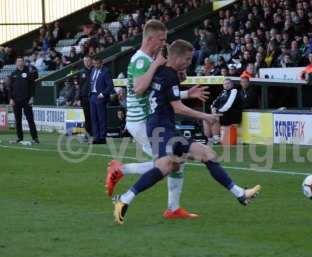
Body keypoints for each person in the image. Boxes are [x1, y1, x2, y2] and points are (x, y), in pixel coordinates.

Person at [111, 39, 261, 224]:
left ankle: (240, 193)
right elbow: (178, 108)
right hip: (161, 128)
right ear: (178, 57)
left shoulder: (161, 72)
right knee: (172, 164)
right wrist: (205, 117)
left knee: (195, 158)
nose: (189, 63)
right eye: (188, 59)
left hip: (160, 126)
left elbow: (163, 94)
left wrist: (182, 82)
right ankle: (125, 198)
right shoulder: (168, 75)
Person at [105, 20, 209, 219]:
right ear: (150, 39)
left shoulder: (150, 59)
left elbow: (161, 92)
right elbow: (138, 88)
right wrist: (156, 65)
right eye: (161, 39)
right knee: (167, 163)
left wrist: (185, 91)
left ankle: (173, 208)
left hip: (147, 120)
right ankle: (122, 172)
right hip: (142, 121)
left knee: (175, 162)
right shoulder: (142, 60)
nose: (164, 43)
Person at [8, 57, 39, 144]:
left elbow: (33, 87)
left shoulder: (28, 73)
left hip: (26, 100)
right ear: (16, 63)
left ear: (23, 63)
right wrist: (10, 99)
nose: (20, 62)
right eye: (18, 61)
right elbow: (10, 88)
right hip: (16, 101)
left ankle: (35, 138)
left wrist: (32, 97)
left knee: (30, 119)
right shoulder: (13, 74)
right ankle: (19, 138)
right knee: (18, 121)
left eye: (21, 61)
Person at [89, 57, 114, 144]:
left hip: (100, 97)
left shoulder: (106, 71)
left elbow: (110, 85)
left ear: (101, 63)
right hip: (92, 96)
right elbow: (91, 82)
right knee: (94, 118)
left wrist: (103, 94)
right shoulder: (93, 70)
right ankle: (96, 137)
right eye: (94, 64)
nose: (95, 65)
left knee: (101, 118)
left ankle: (102, 137)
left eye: (97, 64)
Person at [79, 55, 93, 140]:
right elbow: (80, 86)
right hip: (84, 97)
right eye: (85, 61)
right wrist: (79, 97)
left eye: (88, 60)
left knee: (94, 116)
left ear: (91, 61)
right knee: (86, 116)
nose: (86, 62)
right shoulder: (81, 72)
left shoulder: (95, 71)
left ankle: (94, 133)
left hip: (93, 96)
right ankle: (87, 134)